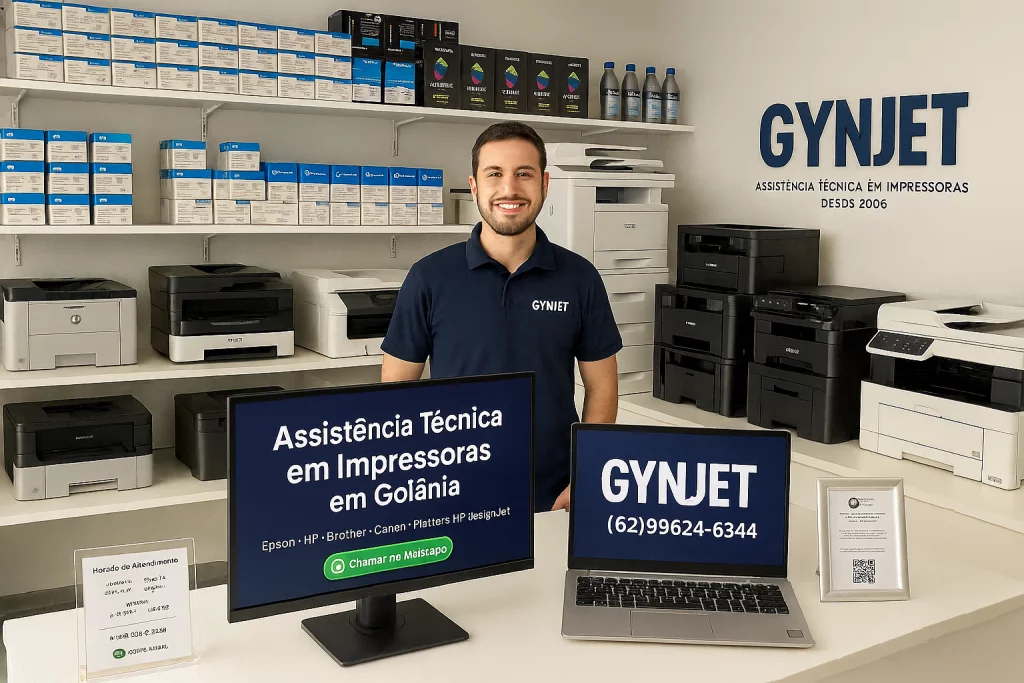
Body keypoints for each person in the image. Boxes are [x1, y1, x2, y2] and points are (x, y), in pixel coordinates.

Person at [380, 122, 622, 512]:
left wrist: (587, 472)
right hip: (450, 490)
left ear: (544, 184)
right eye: (494, 174)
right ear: (474, 186)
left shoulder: (580, 278)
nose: (509, 188)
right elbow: (395, 394)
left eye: (524, 174)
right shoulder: (429, 277)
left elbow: (603, 388)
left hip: (553, 493)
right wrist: (415, 482)